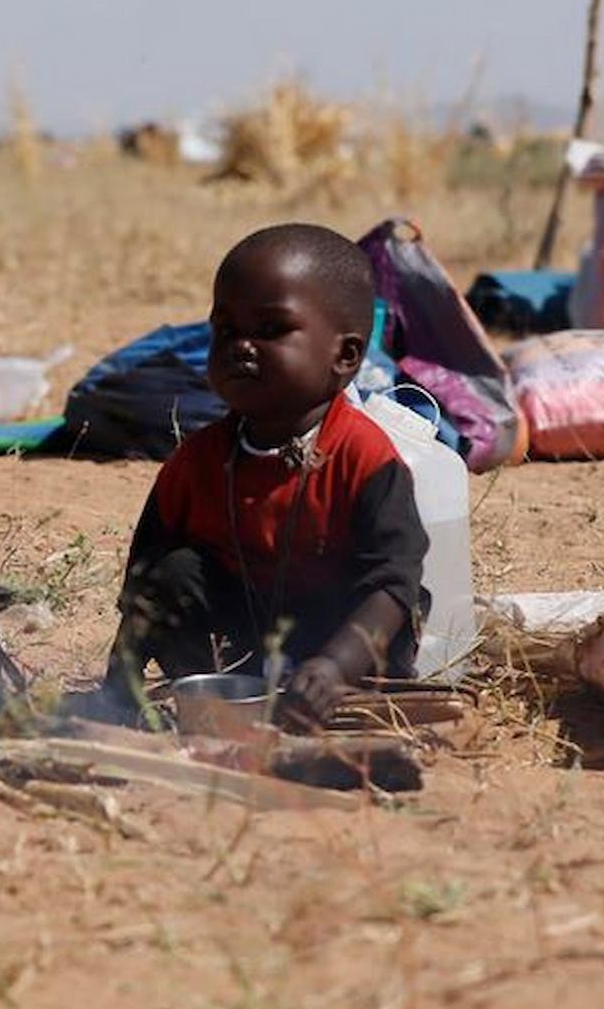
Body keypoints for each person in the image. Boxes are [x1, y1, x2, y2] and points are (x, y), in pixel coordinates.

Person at [97, 223, 427, 725]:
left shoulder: (364, 457)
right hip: (240, 649)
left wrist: (335, 667)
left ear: (345, 356)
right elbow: (146, 584)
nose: (241, 346)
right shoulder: (196, 463)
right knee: (174, 572)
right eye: (226, 331)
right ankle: (220, 699)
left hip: (346, 646)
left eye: (271, 329)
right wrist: (118, 690)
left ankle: (324, 696)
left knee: (388, 617)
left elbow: (392, 582)